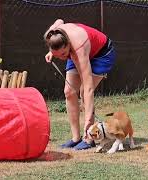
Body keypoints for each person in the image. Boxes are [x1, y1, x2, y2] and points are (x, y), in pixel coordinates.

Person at [43, 19, 116, 150]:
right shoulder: (52, 34)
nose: (61, 58)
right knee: (69, 92)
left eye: (63, 54)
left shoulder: (79, 47)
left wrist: (88, 119)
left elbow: (88, 88)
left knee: (83, 91)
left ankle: (89, 138)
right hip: (74, 51)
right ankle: (75, 138)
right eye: (57, 55)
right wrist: (52, 52)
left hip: (102, 54)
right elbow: (59, 20)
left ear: (67, 44)